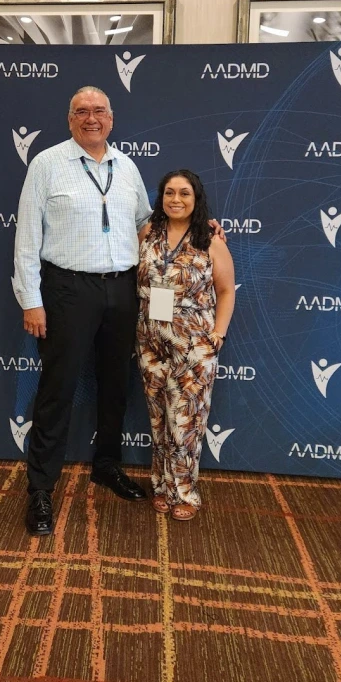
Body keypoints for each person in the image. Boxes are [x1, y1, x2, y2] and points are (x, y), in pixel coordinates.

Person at [13, 87, 224, 536]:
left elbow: (146, 222)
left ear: (111, 119)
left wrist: (200, 220)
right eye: (82, 112)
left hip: (124, 290)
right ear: (70, 120)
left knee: (115, 385)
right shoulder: (47, 165)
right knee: (57, 388)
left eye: (100, 112)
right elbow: (27, 238)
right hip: (67, 289)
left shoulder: (126, 166)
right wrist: (31, 299)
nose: (92, 119)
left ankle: (106, 466)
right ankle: (40, 490)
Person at [136, 169, 235, 521]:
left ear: (196, 199)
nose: (176, 199)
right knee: (159, 418)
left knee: (187, 420)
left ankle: (185, 491)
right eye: (169, 193)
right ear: (160, 198)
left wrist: (218, 334)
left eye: (184, 193)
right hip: (151, 342)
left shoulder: (210, 241)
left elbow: (225, 292)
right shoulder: (148, 234)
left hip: (194, 344)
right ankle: (161, 485)